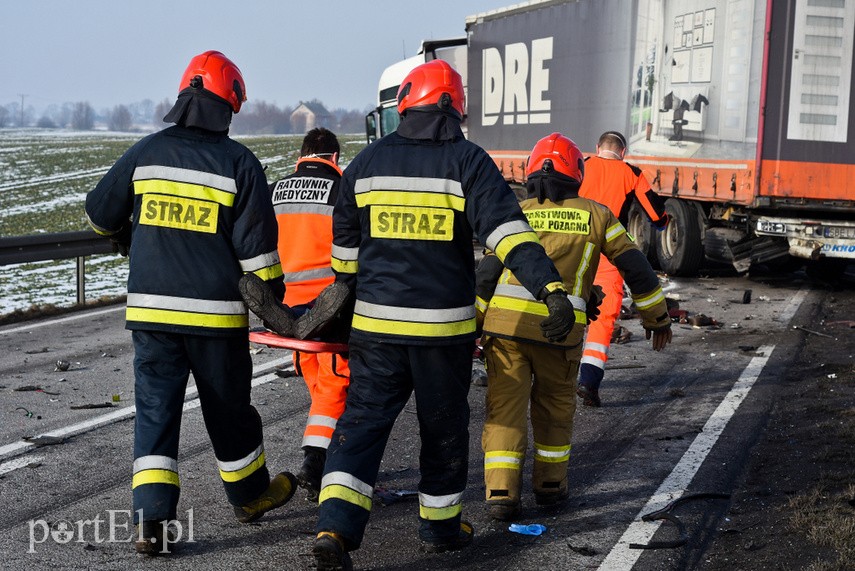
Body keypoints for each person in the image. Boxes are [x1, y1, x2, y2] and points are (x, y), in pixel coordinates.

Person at [257, 59, 574, 570]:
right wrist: (552, 290)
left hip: (376, 331)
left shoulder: (365, 164)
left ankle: (334, 529)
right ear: (455, 109)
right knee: (443, 430)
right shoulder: (469, 162)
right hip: (442, 333)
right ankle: (441, 528)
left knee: (360, 427)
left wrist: (339, 298)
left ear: (406, 103)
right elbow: (510, 236)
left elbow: (345, 261)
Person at [85, 50, 297, 555]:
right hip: (216, 320)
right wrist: (280, 308)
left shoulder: (146, 152)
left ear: (183, 97)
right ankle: (249, 497)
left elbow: (98, 213)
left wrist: (125, 229)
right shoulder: (239, 164)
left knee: (156, 413)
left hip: (152, 316)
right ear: (229, 105)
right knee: (228, 410)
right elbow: (261, 262)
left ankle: (151, 524)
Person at [476, 132, 673, 521]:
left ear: (531, 172)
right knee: (553, 410)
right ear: (575, 173)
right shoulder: (597, 215)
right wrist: (657, 317)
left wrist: (473, 326)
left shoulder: (514, 213)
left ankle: (501, 494)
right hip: (558, 336)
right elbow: (635, 265)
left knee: (505, 411)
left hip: (505, 332)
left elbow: (486, 275)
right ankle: (549, 488)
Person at [269, 128, 350, 502]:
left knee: (320, 384)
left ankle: (326, 455)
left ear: (301, 155)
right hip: (327, 307)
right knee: (335, 385)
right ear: (334, 158)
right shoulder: (341, 190)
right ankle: (315, 464)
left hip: (288, 310)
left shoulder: (277, 190)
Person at [576, 130, 669, 407]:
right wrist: (663, 222)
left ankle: (548, 377)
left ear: (597, 147)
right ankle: (588, 383)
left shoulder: (582, 164)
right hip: (608, 254)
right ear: (623, 152)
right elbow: (656, 215)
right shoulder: (632, 173)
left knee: (562, 309)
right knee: (601, 322)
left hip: (574, 248)